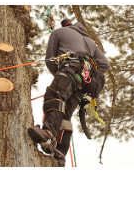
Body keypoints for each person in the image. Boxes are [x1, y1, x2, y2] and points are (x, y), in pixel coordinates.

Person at [28, 18, 110, 167]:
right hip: (84, 83)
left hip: (70, 68)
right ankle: (60, 155)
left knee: (54, 95)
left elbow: (49, 60)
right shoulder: (90, 42)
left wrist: (60, 76)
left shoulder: (59, 32)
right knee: (64, 114)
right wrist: (92, 76)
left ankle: (48, 134)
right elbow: (105, 64)